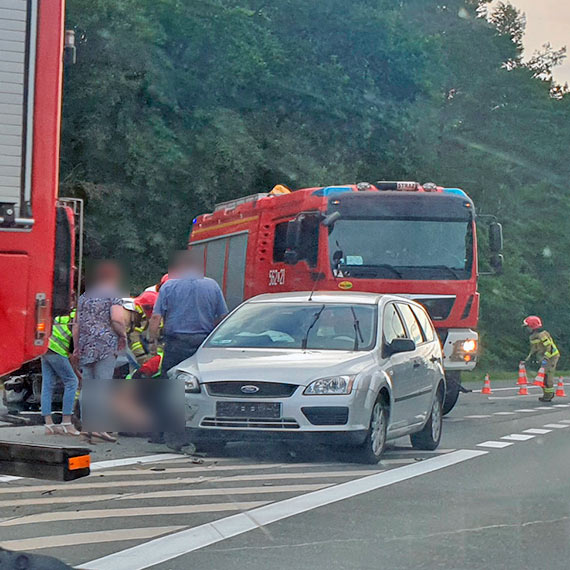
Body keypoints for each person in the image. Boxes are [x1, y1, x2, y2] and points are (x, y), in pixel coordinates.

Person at [148, 250, 228, 375]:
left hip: (176, 343)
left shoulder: (168, 286)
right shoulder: (212, 285)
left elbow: (156, 317)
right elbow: (223, 317)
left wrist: (152, 341)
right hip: (203, 342)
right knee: (199, 378)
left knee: (171, 376)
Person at [73, 260, 127, 442]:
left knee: (88, 387)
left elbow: (76, 325)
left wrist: (76, 347)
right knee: (102, 385)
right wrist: (123, 335)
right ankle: (101, 427)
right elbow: (117, 319)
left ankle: (87, 426)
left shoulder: (84, 297)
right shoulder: (113, 294)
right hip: (105, 345)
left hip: (86, 344)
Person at [40, 310, 80, 435]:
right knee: (72, 382)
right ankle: (67, 422)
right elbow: (75, 332)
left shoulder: (59, 312)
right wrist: (76, 351)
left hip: (46, 347)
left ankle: (49, 424)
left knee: (47, 385)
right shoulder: (76, 314)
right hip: (58, 350)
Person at [523, 315, 560, 402]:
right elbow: (534, 348)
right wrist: (528, 358)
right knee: (542, 376)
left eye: (527, 326)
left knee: (547, 376)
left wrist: (546, 358)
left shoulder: (542, 335)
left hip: (551, 357)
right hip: (543, 357)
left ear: (532, 326)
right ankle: (546, 394)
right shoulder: (532, 337)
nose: (526, 329)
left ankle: (549, 395)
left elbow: (549, 347)